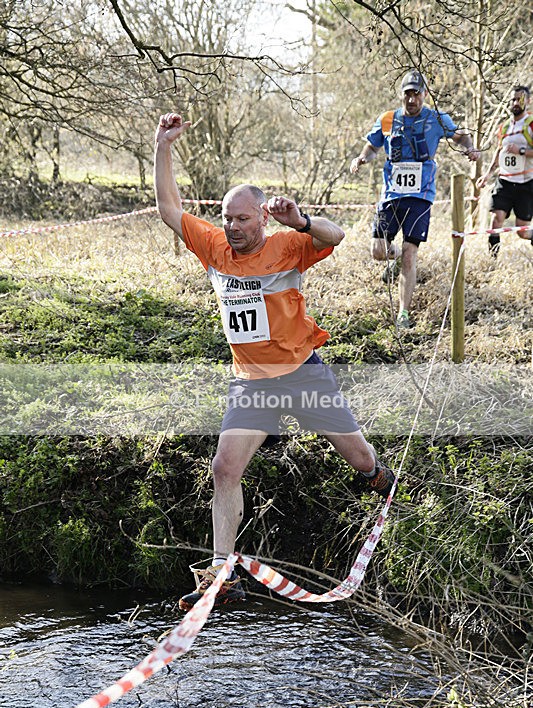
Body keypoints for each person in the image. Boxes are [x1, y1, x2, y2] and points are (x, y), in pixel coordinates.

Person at [154, 112, 396, 612]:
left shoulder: (288, 244)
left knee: (359, 459)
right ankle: (222, 576)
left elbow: (337, 236)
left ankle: (379, 478)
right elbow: (169, 208)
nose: (233, 227)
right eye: (227, 218)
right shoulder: (215, 247)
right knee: (224, 467)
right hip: (252, 384)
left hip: (303, 374)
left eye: (243, 218)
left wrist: (303, 221)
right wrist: (163, 146)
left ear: (262, 216)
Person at [350, 70, 480, 329]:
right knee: (378, 251)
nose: (412, 100)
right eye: (407, 94)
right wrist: (362, 158)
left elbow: (461, 135)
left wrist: (470, 147)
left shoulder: (436, 119)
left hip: (421, 196)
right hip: (391, 195)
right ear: (401, 95)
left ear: (424, 95)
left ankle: (403, 315)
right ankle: (394, 255)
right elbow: (373, 146)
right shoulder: (387, 120)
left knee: (410, 254)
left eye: (416, 94)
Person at [476, 85, 533, 258]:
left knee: (522, 231)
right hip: (505, 182)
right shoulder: (504, 126)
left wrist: (521, 151)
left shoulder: (531, 124)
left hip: (526, 183)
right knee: (496, 221)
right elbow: (499, 153)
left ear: (528, 101)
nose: (515, 102)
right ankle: (493, 262)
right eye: (513, 99)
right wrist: (487, 175)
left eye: (519, 99)